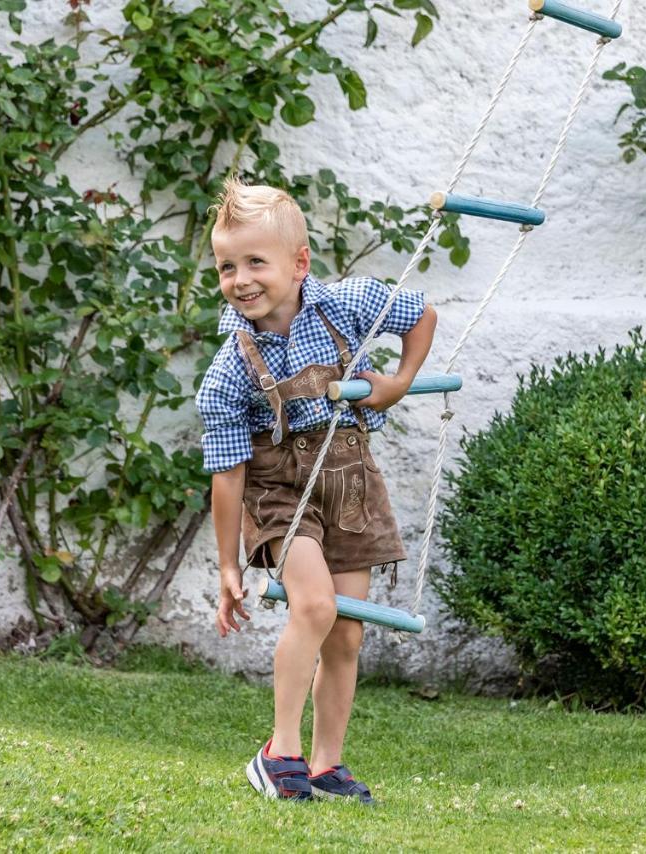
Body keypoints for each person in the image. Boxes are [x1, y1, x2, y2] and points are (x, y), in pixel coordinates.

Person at [195, 177, 437, 804]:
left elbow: (423, 315)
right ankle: (280, 753)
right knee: (315, 607)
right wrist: (228, 562)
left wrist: (399, 383)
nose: (240, 278)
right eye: (227, 266)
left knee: (347, 633)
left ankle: (327, 768)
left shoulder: (347, 305)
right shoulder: (229, 368)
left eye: (255, 262)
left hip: (351, 486)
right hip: (281, 498)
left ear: (299, 264)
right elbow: (228, 472)